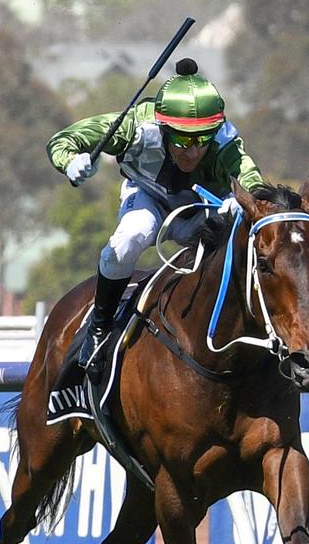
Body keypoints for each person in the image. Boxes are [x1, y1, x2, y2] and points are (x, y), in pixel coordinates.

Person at [46, 58, 266, 377]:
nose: (192, 152)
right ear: (163, 127)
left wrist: (248, 200)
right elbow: (63, 140)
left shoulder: (224, 141)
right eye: (182, 140)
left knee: (229, 247)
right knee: (128, 240)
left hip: (200, 206)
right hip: (147, 196)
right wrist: (70, 162)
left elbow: (252, 179)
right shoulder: (134, 126)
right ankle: (99, 327)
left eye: (202, 140)